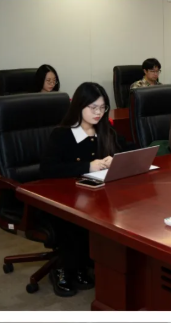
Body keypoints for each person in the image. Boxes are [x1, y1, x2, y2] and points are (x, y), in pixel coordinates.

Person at [41, 82, 132, 296]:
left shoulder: (105, 130)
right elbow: (47, 169)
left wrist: (117, 159)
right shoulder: (62, 135)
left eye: (103, 108)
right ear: (79, 106)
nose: (98, 113)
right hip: (63, 198)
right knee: (75, 220)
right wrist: (87, 166)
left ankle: (81, 265)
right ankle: (62, 268)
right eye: (93, 107)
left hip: (97, 195)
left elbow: (130, 149)